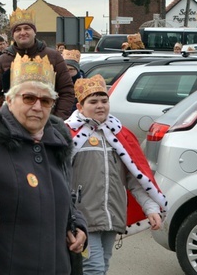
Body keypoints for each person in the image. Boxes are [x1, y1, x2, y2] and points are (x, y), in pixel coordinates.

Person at [0, 54, 88, 275]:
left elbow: (65, 198)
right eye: (29, 98)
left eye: (46, 100)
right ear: (9, 100)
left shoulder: (57, 140)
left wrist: (78, 225)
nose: (38, 107)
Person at [66, 75, 166, 275]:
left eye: (104, 101)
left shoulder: (120, 135)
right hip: (82, 217)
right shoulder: (68, 135)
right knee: (93, 268)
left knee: (102, 264)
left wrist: (151, 207)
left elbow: (136, 177)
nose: (100, 106)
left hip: (112, 216)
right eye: (93, 102)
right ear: (80, 105)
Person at [0, 8, 76, 118]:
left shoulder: (53, 57)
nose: (23, 32)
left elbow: (67, 91)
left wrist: (57, 120)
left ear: (34, 31)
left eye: (27, 28)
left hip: (46, 121)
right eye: (18, 30)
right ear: (13, 35)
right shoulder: (2, 60)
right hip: (13, 123)